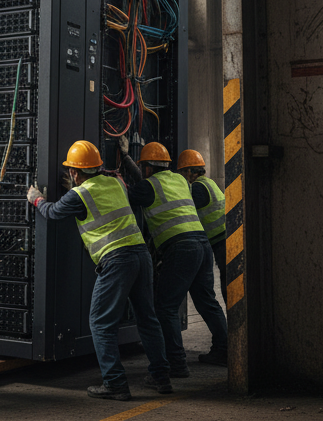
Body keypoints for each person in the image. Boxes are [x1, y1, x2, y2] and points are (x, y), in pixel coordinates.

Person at [27, 141, 172, 400]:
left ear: (73, 172)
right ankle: (161, 377)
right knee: (148, 320)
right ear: (97, 167)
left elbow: (53, 212)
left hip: (117, 261)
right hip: (141, 256)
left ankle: (115, 383)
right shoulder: (116, 183)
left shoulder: (78, 195)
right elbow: (101, 199)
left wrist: (35, 198)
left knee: (101, 323)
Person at [121, 142, 228, 372]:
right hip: (203, 245)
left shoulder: (148, 186)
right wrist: (130, 160)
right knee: (207, 301)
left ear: (147, 168)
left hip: (181, 249)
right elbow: (149, 185)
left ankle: (177, 362)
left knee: (166, 306)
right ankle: (225, 349)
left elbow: (125, 195)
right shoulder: (180, 181)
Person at [178, 149, 227, 304]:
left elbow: (185, 209)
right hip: (224, 237)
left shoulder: (197, 188)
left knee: (227, 280)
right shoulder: (209, 182)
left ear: (191, 172)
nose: (182, 177)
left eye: (183, 172)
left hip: (220, 240)